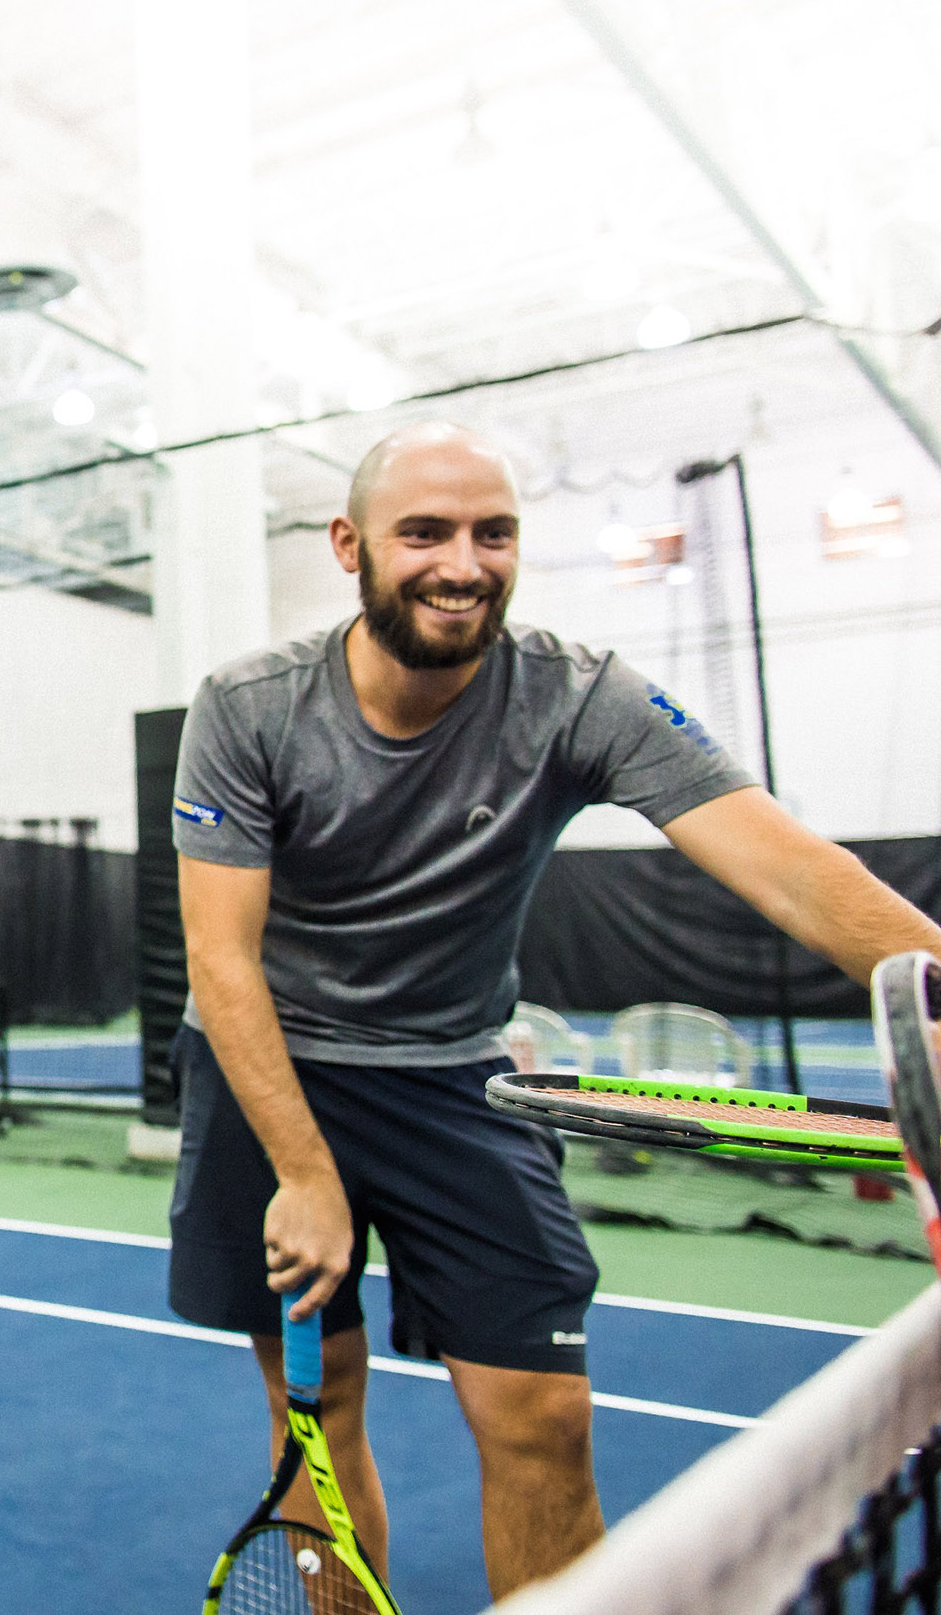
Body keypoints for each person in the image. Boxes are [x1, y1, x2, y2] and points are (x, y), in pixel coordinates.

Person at [168, 420, 941, 1599]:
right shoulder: (248, 706)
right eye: (423, 532)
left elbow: (788, 869)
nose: (461, 563)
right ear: (349, 546)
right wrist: (305, 1170)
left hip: (450, 1076)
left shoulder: (584, 696)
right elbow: (220, 960)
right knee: (311, 1424)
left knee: (541, 1419)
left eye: (493, 533)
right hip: (270, 1067)